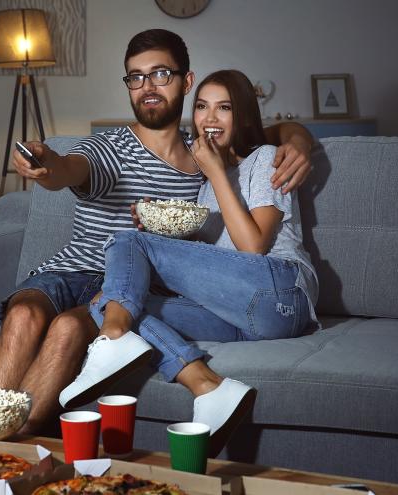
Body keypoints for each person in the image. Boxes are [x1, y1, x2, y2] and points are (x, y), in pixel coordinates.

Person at [0, 29, 315, 435]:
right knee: (23, 314)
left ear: (185, 82)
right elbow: (69, 167)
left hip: (125, 285)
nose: (147, 87)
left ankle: (12, 446)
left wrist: (298, 138)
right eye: (135, 77)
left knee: (76, 322)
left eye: (160, 74)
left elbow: (254, 138)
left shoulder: (204, 158)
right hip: (78, 272)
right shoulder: (109, 147)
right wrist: (47, 164)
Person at [59, 69, 319, 456]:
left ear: (244, 117)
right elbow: (211, 266)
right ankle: (209, 386)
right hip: (241, 318)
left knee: (128, 242)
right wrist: (158, 228)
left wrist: (215, 173)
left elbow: (252, 248)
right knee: (104, 302)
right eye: (201, 107)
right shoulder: (201, 186)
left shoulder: (263, 160)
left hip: (282, 294)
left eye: (224, 108)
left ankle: (110, 341)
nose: (210, 118)